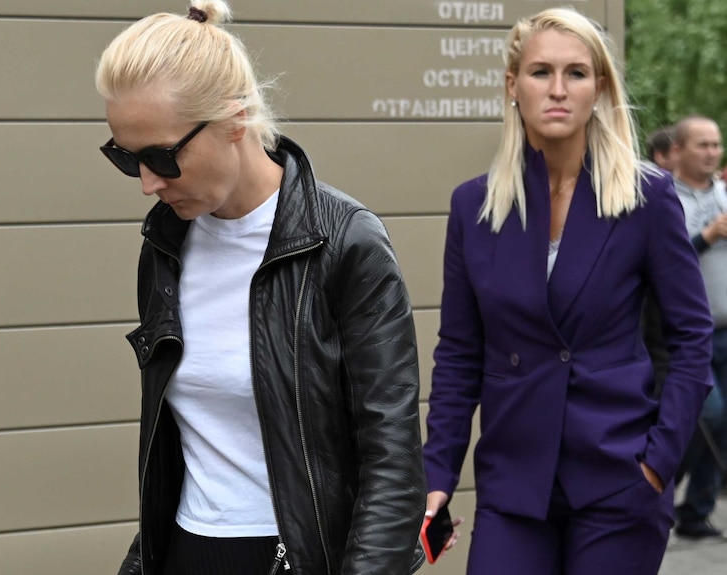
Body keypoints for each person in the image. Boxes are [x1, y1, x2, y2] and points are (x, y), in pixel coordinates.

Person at [94, 2, 426, 574]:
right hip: (187, 550)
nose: (148, 183)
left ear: (235, 119)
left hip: (300, 555)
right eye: (126, 159)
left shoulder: (344, 242)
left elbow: (392, 461)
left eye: (161, 156)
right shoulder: (164, 249)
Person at [422, 8, 713, 575]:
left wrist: (659, 460)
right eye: (540, 72)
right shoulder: (473, 206)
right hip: (515, 480)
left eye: (577, 73)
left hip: (619, 475)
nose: (558, 90)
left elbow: (691, 337)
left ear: (599, 88)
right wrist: (438, 478)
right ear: (513, 85)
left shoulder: (646, 198)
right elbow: (458, 353)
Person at [670, 115, 727, 539]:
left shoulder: (724, 193)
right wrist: (706, 236)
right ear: (678, 151)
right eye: (703, 145)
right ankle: (655, 493)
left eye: (716, 145)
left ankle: (695, 513)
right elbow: (663, 264)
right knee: (706, 415)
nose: (712, 152)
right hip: (690, 337)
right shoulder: (664, 199)